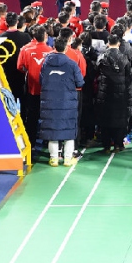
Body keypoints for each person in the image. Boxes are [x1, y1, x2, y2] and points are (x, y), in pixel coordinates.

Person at [39, 38, 84, 167]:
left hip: (49, 101)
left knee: (52, 131)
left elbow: (41, 81)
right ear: (66, 48)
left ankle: (54, 159)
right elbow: (80, 82)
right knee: (68, 131)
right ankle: (67, 159)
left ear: (54, 47)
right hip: (67, 102)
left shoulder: (46, 63)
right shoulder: (72, 64)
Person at [96, 34, 132, 154]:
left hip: (105, 93)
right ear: (118, 44)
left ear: (108, 43)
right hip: (121, 94)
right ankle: (118, 144)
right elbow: (129, 77)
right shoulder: (124, 58)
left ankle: (106, 146)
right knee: (120, 119)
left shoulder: (102, 57)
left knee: (105, 119)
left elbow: (96, 73)